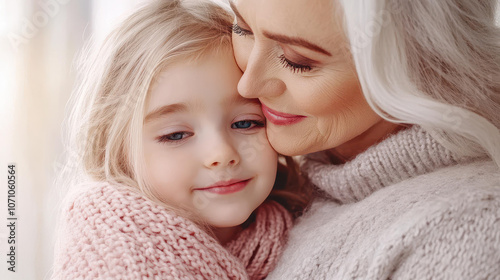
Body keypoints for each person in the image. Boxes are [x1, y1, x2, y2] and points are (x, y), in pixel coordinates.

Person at [230, 0, 500, 279]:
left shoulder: (467, 235)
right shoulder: (287, 181)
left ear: (422, 59)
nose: (248, 84)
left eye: (298, 61)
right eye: (243, 28)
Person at [51, 0, 302, 279]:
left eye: (245, 123)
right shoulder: (110, 255)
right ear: (118, 149)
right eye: (176, 135)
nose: (220, 153)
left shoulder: (304, 226)